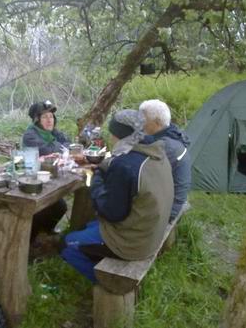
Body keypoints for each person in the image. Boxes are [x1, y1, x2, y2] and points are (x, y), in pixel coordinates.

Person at [61, 110, 174, 282]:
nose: (111, 138)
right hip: (151, 233)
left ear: (119, 135)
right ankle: (94, 251)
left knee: (68, 243)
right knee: (89, 226)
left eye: (112, 133)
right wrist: (106, 167)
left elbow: (110, 212)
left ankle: (107, 283)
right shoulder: (155, 152)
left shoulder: (125, 165)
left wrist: (96, 178)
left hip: (133, 244)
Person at [22, 100, 69, 242]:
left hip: (49, 177)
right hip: (31, 179)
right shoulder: (30, 135)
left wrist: (62, 148)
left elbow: (68, 144)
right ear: (37, 120)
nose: (49, 120)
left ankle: (45, 232)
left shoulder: (51, 131)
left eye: (51, 116)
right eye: (44, 117)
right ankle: (29, 239)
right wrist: (61, 148)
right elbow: (50, 150)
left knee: (60, 205)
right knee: (43, 206)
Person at [139, 99, 192, 222]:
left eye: (143, 119)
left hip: (166, 211)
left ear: (157, 122)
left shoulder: (164, 147)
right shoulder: (172, 135)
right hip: (169, 200)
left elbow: (139, 173)